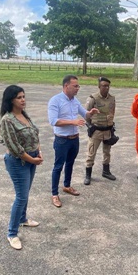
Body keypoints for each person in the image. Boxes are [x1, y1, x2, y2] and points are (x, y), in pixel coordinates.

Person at [0, 85, 43, 250]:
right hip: (19, 162)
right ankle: (11, 233)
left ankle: (23, 219)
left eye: (24, 96)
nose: (23, 100)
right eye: (19, 97)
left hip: (32, 159)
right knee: (21, 196)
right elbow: (15, 148)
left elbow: (34, 135)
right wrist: (32, 160)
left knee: (26, 192)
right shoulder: (7, 120)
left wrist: (39, 152)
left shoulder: (24, 115)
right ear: (11, 100)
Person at [48, 75, 99, 208]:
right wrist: (73, 122)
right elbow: (54, 121)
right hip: (62, 140)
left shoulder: (75, 101)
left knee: (70, 163)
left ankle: (67, 186)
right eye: (75, 86)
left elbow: (85, 114)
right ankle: (54, 194)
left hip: (74, 139)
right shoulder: (55, 101)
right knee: (58, 166)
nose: (78, 88)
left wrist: (91, 113)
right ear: (66, 86)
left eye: (78, 86)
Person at [84, 77, 117, 185]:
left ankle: (106, 172)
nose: (106, 88)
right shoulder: (93, 98)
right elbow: (86, 114)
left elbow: (112, 112)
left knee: (107, 152)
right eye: (103, 85)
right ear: (99, 86)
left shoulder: (112, 98)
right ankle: (88, 175)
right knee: (91, 153)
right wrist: (90, 126)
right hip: (96, 131)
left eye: (107, 86)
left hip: (108, 131)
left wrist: (111, 125)